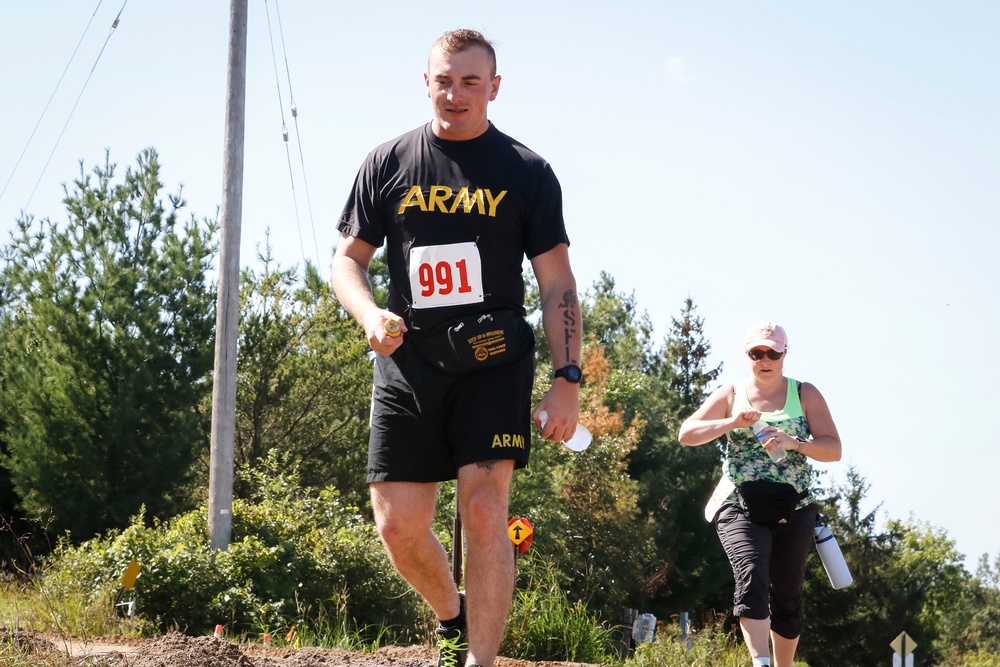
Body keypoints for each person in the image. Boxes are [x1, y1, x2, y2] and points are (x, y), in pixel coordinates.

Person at [330, 29, 582, 667]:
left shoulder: (527, 172)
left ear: (494, 88)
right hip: (409, 361)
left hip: (495, 359)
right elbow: (347, 261)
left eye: (471, 81)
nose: (456, 92)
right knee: (397, 524)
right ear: (426, 83)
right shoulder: (387, 163)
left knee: (482, 503)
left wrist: (567, 378)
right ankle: (452, 615)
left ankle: (481, 661)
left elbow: (557, 283)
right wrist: (368, 314)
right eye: (445, 79)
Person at [678, 319, 841, 667]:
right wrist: (732, 422)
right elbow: (687, 433)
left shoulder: (805, 393)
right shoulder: (731, 393)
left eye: (772, 353)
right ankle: (760, 663)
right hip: (739, 502)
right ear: (747, 355)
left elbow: (833, 449)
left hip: (794, 505)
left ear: (784, 354)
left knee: (787, 592)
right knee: (751, 571)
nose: (765, 360)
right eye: (757, 353)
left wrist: (794, 443)